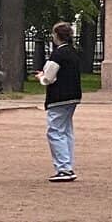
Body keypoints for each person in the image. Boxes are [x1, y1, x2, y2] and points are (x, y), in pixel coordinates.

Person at [35, 21, 82, 182]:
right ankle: (67, 165)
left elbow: (49, 77)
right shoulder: (73, 52)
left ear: (57, 36)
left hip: (59, 97)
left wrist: (41, 77)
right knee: (66, 131)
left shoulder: (58, 54)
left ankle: (64, 168)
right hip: (73, 96)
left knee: (55, 131)